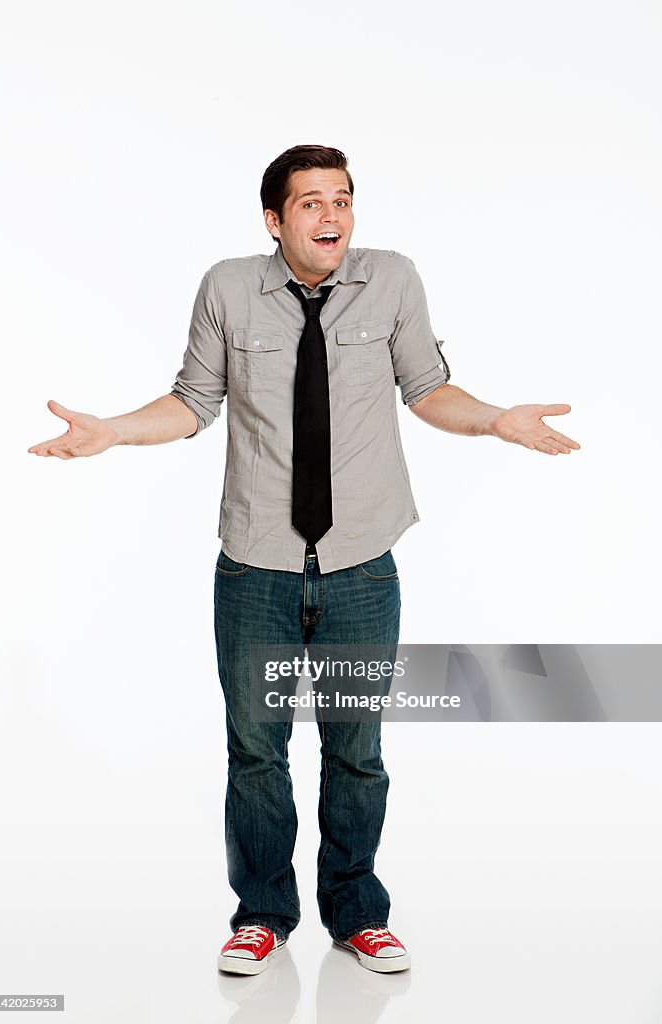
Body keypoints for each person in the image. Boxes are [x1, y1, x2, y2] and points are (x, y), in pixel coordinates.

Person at [28, 144, 580, 976]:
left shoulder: (392, 280)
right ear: (273, 219)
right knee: (256, 752)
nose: (332, 216)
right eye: (312, 202)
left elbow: (428, 389)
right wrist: (110, 431)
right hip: (256, 567)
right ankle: (260, 916)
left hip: (361, 565)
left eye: (343, 200)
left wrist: (496, 418)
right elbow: (190, 402)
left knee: (356, 751)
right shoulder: (225, 287)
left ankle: (357, 914)